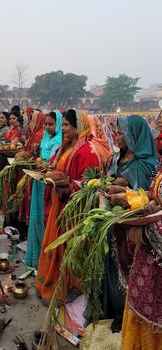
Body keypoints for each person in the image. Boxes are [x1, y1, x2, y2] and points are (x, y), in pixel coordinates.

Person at [36, 110, 101, 303]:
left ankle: (72, 285)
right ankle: (56, 281)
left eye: (66, 125)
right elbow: (57, 167)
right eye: (62, 125)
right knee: (57, 244)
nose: (62, 129)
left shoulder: (87, 151)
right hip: (60, 202)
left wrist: (68, 186)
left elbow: (90, 182)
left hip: (74, 208)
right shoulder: (66, 146)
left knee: (69, 246)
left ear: (78, 127)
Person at [101, 115, 158, 333]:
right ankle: (113, 308)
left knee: (127, 273)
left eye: (122, 132)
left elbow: (145, 199)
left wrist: (123, 193)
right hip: (113, 223)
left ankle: (124, 315)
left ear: (134, 136)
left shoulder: (147, 165)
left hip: (132, 229)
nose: (117, 135)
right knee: (112, 269)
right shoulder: (119, 157)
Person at [25, 111, 63, 268]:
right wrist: (36, 154)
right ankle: (38, 252)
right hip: (39, 179)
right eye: (45, 124)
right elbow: (41, 157)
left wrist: (44, 163)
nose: (47, 127)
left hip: (47, 182)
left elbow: (53, 163)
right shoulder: (46, 138)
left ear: (58, 124)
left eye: (51, 124)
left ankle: (45, 253)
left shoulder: (60, 140)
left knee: (44, 216)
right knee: (38, 214)